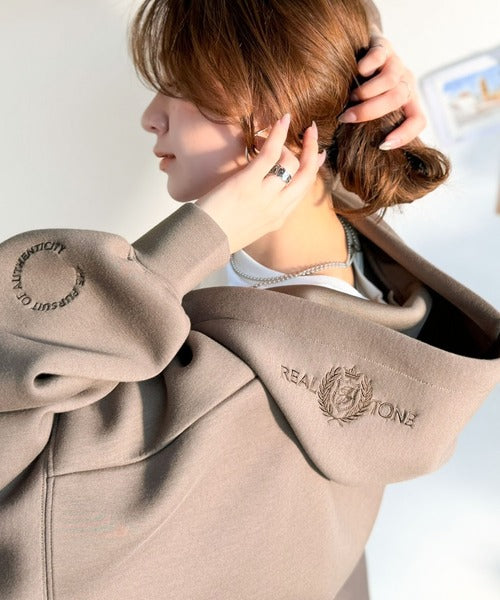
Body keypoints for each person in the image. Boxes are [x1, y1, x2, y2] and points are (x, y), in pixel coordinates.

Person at [0, 2, 498, 600]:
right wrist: (353, 57)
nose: (150, 118)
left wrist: (193, 240)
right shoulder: (380, 315)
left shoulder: (216, 399)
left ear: (268, 117)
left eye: (178, 88)